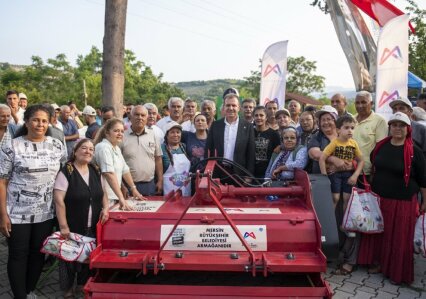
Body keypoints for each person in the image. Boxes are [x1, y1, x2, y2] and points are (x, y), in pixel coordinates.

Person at [0, 104, 66, 299]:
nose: (40, 124)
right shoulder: (11, 146)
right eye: (36, 120)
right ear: (27, 121)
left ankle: (29, 290)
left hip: (46, 212)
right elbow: (2, 182)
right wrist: (3, 214)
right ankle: (19, 295)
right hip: (17, 213)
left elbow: (62, 177)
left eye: (44, 121)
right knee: (18, 255)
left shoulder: (56, 146)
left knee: (38, 253)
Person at [358, 112, 426, 285]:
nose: (397, 128)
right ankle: (379, 264)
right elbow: (374, 165)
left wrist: (425, 201)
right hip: (380, 199)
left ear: (408, 128)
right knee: (380, 234)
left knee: (399, 238)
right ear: (389, 127)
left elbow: (423, 179)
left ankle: (397, 271)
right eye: (394, 125)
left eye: (401, 125)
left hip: (402, 201)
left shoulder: (414, 151)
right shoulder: (381, 146)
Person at [54, 139, 109, 298]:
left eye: (91, 149)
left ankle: (81, 285)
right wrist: (63, 225)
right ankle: (67, 289)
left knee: (88, 258)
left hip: (93, 225)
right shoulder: (67, 170)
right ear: (75, 151)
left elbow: (103, 192)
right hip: (72, 225)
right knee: (68, 259)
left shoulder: (95, 169)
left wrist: (106, 208)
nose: (88, 151)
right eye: (84, 148)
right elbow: (58, 199)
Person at [94, 118, 146, 209]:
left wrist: (133, 188)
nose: (120, 134)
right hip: (105, 198)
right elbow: (108, 173)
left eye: (122, 131)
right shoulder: (103, 147)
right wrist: (121, 197)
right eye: (116, 131)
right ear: (107, 132)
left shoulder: (116, 148)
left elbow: (125, 170)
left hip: (114, 196)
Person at [205, 88, 256, 178]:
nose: (231, 108)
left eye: (234, 105)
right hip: (217, 172)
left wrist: (249, 175)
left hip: (239, 174)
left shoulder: (248, 126)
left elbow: (251, 154)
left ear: (239, 108)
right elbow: (208, 149)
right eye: (228, 105)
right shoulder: (216, 125)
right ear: (223, 107)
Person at [319, 115, 364, 213]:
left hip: (349, 175)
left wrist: (355, 175)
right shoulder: (334, 143)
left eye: (352, 128)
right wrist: (324, 176)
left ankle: (344, 225)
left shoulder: (353, 143)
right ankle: (330, 223)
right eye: (346, 128)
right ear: (338, 130)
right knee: (335, 198)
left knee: (347, 199)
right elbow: (322, 158)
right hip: (335, 174)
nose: (350, 131)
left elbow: (361, 160)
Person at [121, 106, 163, 196]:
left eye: (143, 115)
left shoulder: (153, 135)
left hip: (149, 185)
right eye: (136, 115)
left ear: (146, 118)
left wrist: (160, 181)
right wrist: (121, 185)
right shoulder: (122, 137)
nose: (140, 117)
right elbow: (117, 163)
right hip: (128, 185)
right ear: (130, 117)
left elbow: (158, 159)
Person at [353, 91, 388, 182]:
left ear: (371, 104)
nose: (360, 105)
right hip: (349, 169)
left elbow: (380, 148)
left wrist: (374, 171)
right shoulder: (351, 120)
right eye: (357, 103)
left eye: (364, 102)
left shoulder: (379, 121)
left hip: (368, 173)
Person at [161, 122, 191, 196]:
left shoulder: (184, 146)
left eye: (178, 132)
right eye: (172, 132)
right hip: (168, 189)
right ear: (166, 135)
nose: (176, 135)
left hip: (185, 188)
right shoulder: (162, 148)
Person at [253, 106, 280, 178]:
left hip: (267, 172)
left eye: (261, 115)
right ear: (253, 117)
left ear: (266, 118)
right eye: (256, 115)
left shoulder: (274, 134)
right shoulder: (249, 132)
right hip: (251, 171)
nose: (258, 118)